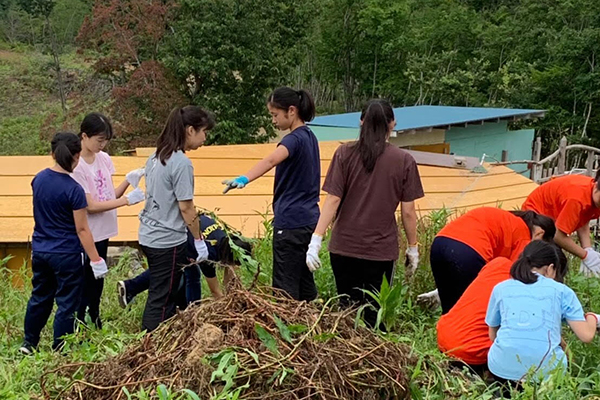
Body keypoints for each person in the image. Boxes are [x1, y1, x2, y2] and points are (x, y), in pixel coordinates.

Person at [305, 99, 424, 328]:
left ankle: (346, 359)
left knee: (347, 313)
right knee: (373, 314)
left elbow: (332, 200)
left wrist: (316, 241)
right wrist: (413, 248)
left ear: (361, 122)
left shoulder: (344, 154)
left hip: (343, 249)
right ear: (392, 124)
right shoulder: (404, 161)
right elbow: (408, 212)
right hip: (379, 253)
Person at [222, 87, 320, 301]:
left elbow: (271, 160)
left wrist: (244, 178)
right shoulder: (311, 138)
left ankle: (289, 329)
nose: (273, 121)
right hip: (308, 221)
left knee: (285, 289)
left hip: (290, 222)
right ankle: (309, 326)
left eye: (275, 115)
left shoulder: (293, 140)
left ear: (291, 111)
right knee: (304, 283)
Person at [20, 132, 108, 354]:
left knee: (40, 296)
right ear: (77, 157)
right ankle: (61, 347)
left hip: (40, 249)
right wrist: (96, 260)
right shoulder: (73, 190)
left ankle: (29, 343)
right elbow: (81, 229)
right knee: (67, 302)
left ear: (52, 153)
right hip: (67, 253)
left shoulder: (38, 179)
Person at [138, 105, 214, 332]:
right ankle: (149, 345)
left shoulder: (156, 155)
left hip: (148, 234)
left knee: (168, 290)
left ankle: (168, 339)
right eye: (203, 132)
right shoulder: (181, 162)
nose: (204, 138)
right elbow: (186, 207)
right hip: (167, 240)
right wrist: (199, 241)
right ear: (190, 130)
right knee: (162, 298)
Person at [436, 242, 566, 373]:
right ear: (550, 270)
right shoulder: (530, 290)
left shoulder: (498, 264)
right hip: (471, 351)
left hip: (445, 336)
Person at [486, 240, 600, 385]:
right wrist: (592, 318)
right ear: (550, 268)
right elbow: (586, 335)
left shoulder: (501, 288)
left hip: (500, 370)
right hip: (546, 375)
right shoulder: (561, 290)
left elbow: (492, 335)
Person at [70, 112, 145, 329]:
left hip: (104, 229)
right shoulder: (77, 165)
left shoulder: (103, 158)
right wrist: (126, 201)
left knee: (98, 279)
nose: (102, 145)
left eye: (105, 140)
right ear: (84, 136)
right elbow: (90, 206)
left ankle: (95, 315)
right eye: (99, 140)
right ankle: (80, 320)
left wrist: (126, 184)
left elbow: (106, 195)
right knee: (85, 279)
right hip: (88, 231)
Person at [428, 208, 556, 314]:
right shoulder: (523, 235)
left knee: (450, 308)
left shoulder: (507, 220)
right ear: (540, 234)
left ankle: (445, 339)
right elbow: (515, 277)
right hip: (470, 250)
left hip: (440, 243)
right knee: (473, 308)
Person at [117, 214, 253, 306]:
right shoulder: (209, 256)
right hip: (178, 240)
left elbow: (229, 271)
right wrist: (227, 307)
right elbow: (215, 291)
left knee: (191, 272)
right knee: (168, 270)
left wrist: (233, 292)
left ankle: (192, 307)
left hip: (182, 231)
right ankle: (130, 287)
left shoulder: (226, 238)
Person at [521, 173, 600, 276]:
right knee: (554, 261)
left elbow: (583, 219)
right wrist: (585, 255)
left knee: (559, 262)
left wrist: (588, 249)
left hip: (553, 221)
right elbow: (558, 236)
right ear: (596, 186)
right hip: (535, 217)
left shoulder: (593, 197)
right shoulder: (576, 199)